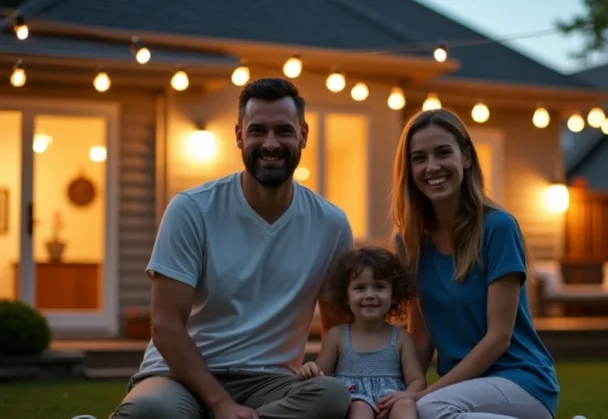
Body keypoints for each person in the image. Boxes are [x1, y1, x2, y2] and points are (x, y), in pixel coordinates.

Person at [109, 78, 353, 419]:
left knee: (330, 396)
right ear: (239, 135)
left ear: (303, 135)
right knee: (151, 409)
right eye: (258, 131)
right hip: (181, 375)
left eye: (283, 130)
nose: (270, 144)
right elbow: (165, 324)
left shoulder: (331, 224)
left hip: (271, 381)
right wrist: (220, 403)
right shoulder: (192, 209)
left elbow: (336, 329)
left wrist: (325, 373)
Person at [384, 108, 560, 419]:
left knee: (429, 409)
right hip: (465, 389)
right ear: (409, 168)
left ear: (466, 157)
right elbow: (421, 335)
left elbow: (498, 339)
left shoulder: (498, 228)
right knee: (407, 409)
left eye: (443, 153)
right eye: (419, 157)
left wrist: (424, 395)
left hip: (521, 380)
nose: (432, 166)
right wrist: (402, 391)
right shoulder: (409, 242)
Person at [294, 246, 425, 419]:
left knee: (406, 405)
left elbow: (417, 380)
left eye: (379, 287)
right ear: (346, 297)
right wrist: (310, 370)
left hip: (390, 403)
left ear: (394, 295)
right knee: (361, 407)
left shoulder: (401, 338)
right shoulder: (338, 336)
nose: (370, 295)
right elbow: (322, 375)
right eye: (360, 288)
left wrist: (405, 395)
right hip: (353, 405)